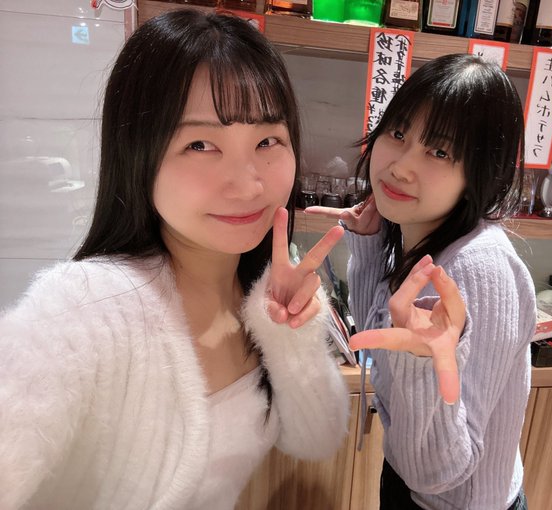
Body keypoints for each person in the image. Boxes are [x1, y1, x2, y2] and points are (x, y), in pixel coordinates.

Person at [0, 10, 350, 510]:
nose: (248, 182)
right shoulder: (86, 304)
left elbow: (315, 439)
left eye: (267, 141)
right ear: (138, 155)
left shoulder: (258, 296)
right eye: (200, 144)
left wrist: (291, 337)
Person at [307, 54, 536, 510]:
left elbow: (438, 473)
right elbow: (378, 347)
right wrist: (370, 243)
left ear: (480, 173)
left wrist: (420, 363)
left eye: (440, 152)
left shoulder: (476, 267)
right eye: (398, 133)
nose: (400, 166)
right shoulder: (417, 230)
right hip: (408, 478)